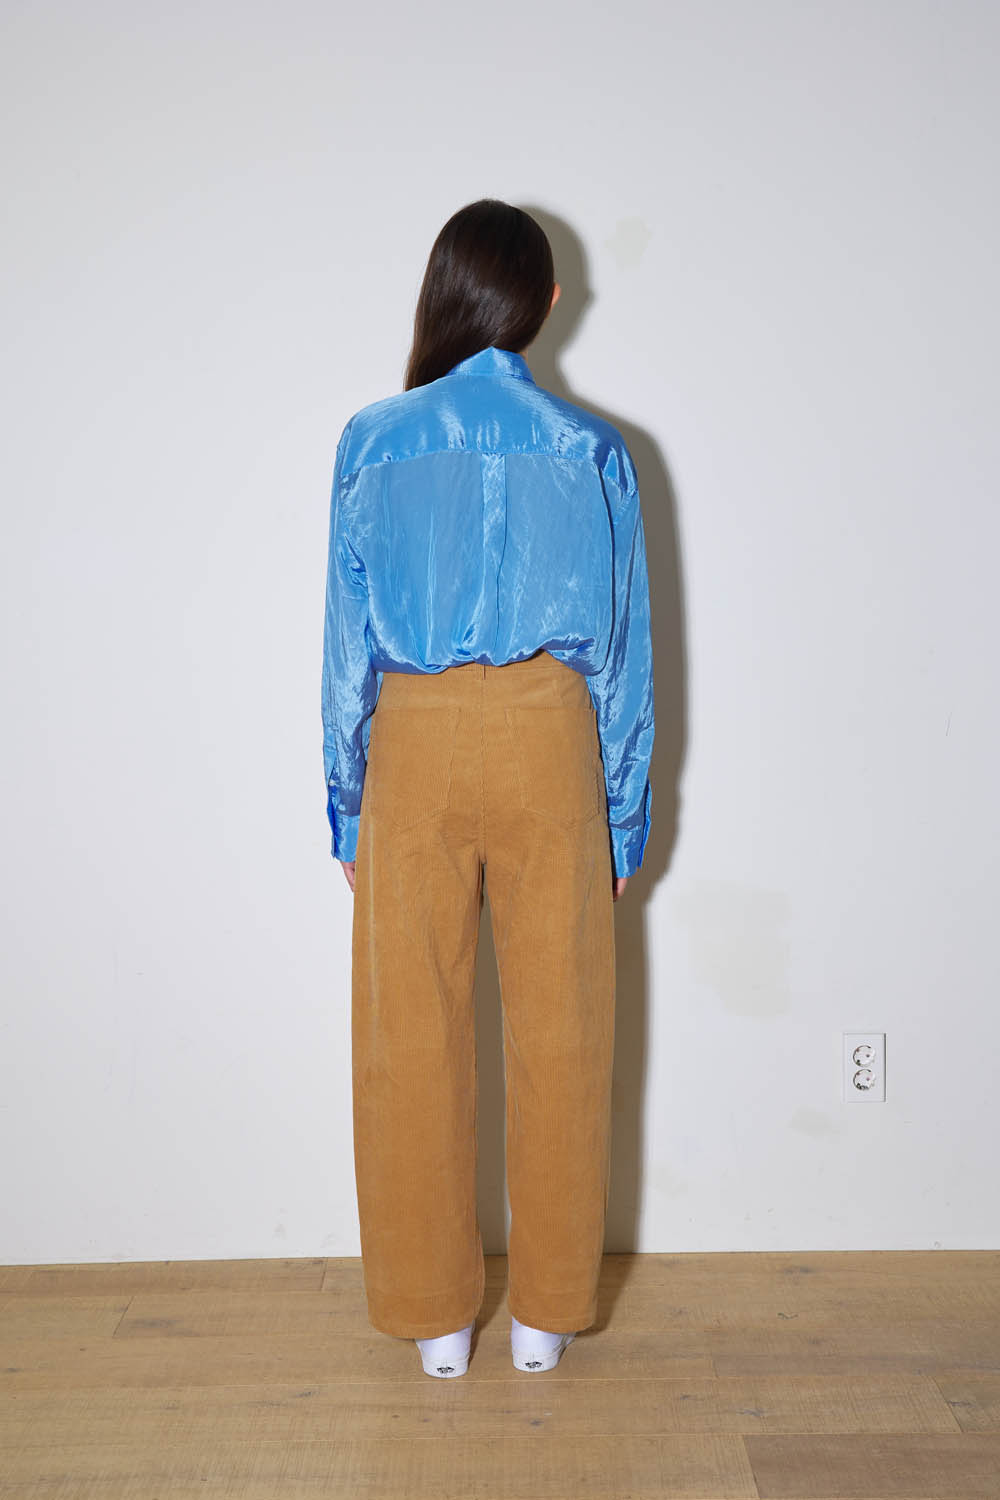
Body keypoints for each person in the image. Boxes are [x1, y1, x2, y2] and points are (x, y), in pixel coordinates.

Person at [321, 198, 654, 1379]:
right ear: (544, 303)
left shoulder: (373, 440)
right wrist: (623, 818)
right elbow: (624, 655)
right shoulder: (592, 449)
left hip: (412, 745)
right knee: (564, 1028)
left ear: (445, 292)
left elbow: (346, 640)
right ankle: (548, 1313)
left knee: (407, 1034)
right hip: (549, 741)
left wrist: (346, 802)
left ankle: (434, 1321)